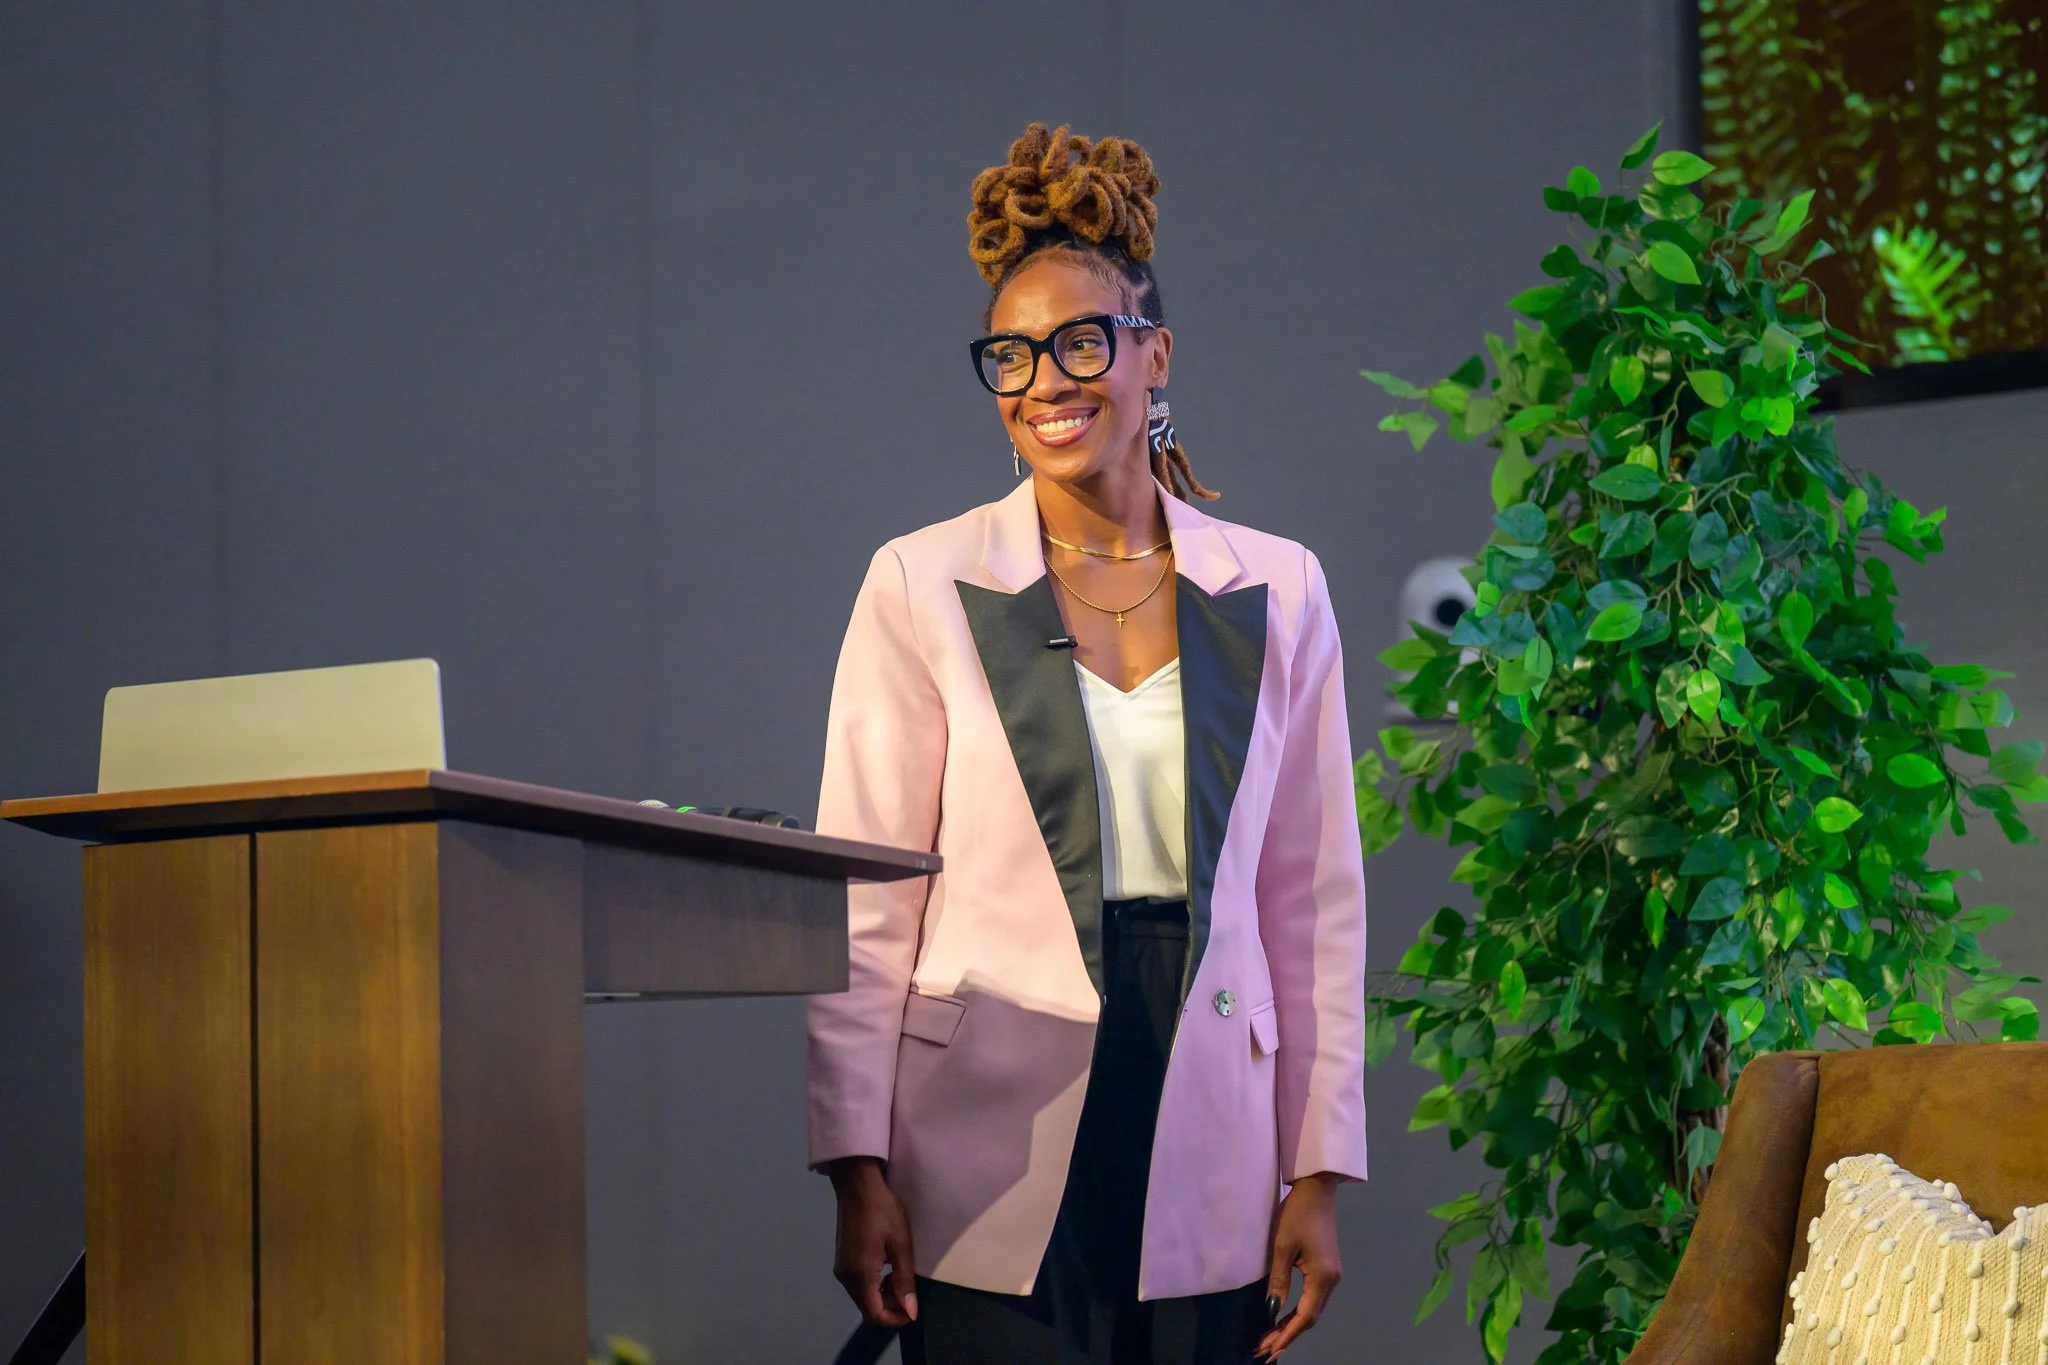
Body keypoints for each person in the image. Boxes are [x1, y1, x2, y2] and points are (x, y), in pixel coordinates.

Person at [808, 122, 1368, 1365]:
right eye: (1009, 356)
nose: (1045, 381)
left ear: (1152, 354)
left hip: (1209, 1085)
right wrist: (855, 1164)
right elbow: (864, 892)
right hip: (985, 1122)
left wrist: (1318, 1166)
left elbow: (1312, 899)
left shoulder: (1277, 587)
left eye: (1078, 342)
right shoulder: (922, 579)